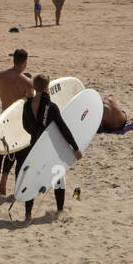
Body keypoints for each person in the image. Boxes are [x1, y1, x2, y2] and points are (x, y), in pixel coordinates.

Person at [11, 74, 81, 223]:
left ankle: (28, 214)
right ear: (46, 87)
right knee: (58, 175)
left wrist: (35, 134)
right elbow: (63, 128)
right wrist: (75, 147)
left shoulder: (27, 105)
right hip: (49, 148)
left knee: (31, 178)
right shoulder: (51, 107)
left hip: (34, 146)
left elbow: (25, 126)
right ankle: (60, 210)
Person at [0, 49, 35, 192]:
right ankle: (18, 187)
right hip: (20, 121)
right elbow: (32, 104)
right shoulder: (27, 82)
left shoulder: (1, 76)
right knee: (21, 154)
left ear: (14, 60)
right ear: (25, 62)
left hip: (4, 119)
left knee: (10, 151)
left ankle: (4, 179)